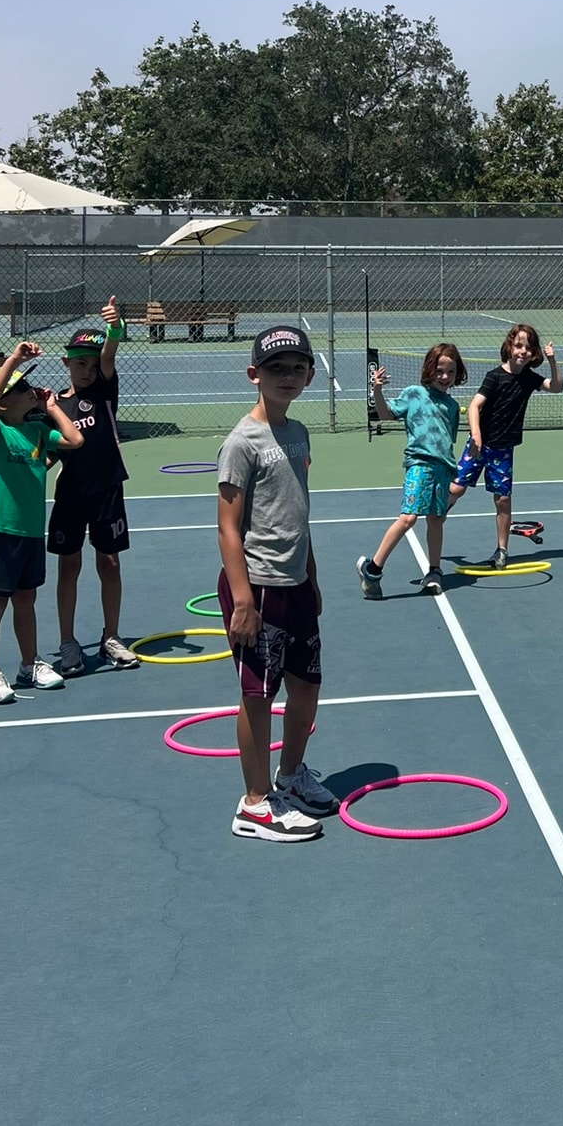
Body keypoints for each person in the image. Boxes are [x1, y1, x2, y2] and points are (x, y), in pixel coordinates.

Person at [217, 325, 336, 843]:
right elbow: (227, 525)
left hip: (293, 583)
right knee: (259, 695)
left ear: (309, 375)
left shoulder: (299, 433)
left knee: (307, 685)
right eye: (275, 368)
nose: (287, 376)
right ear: (254, 376)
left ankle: (290, 775)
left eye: (296, 368)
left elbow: (298, 512)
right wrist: (242, 597)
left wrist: (310, 574)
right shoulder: (242, 442)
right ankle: (255, 802)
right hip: (258, 587)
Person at [0, 342, 84, 705]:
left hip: (33, 532)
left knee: (26, 600)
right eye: (20, 389)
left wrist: (50, 407)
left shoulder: (37, 432)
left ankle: (28, 664)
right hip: (2, 530)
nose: (28, 391)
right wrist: (13, 361)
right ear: (3, 402)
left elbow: (74, 438)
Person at [47, 297, 138, 676]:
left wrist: (115, 327)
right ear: (66, 363)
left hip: (107, 489)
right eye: (79, 363)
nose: (87, 370)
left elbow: (111, 351)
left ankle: (111, 637)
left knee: (110, 563)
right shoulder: (51, 406)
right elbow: (48, 456)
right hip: (71, 495)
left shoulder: (103, 391)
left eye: (93, 363)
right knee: (69, 567)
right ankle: (68, 643)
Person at [357, 343, 465, 598]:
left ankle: (434, 570)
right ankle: (372, 568)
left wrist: (452, 474)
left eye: (451, 372)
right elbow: (384, 414)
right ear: (430, 369)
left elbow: (447, 442)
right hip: (418, 465)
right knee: (408, 518)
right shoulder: (413, 394)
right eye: (440, 370)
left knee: (436, 520)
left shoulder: (451, 407)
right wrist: (377, 390)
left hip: (443, 469)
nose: (445, 377)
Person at [450, 323, 563, 565]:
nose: (523, 351)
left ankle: (501, 550)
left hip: (503, 449)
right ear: (509, 347)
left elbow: (556, 387)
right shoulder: (494, 376)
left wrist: (553, 361)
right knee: (456, 489)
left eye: (528, 348)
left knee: (502, 499)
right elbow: (474, 406)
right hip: (478, 444)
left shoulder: (529, 379)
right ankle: (437, 513)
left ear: (534, 354)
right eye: (518, 345)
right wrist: (476, 435)